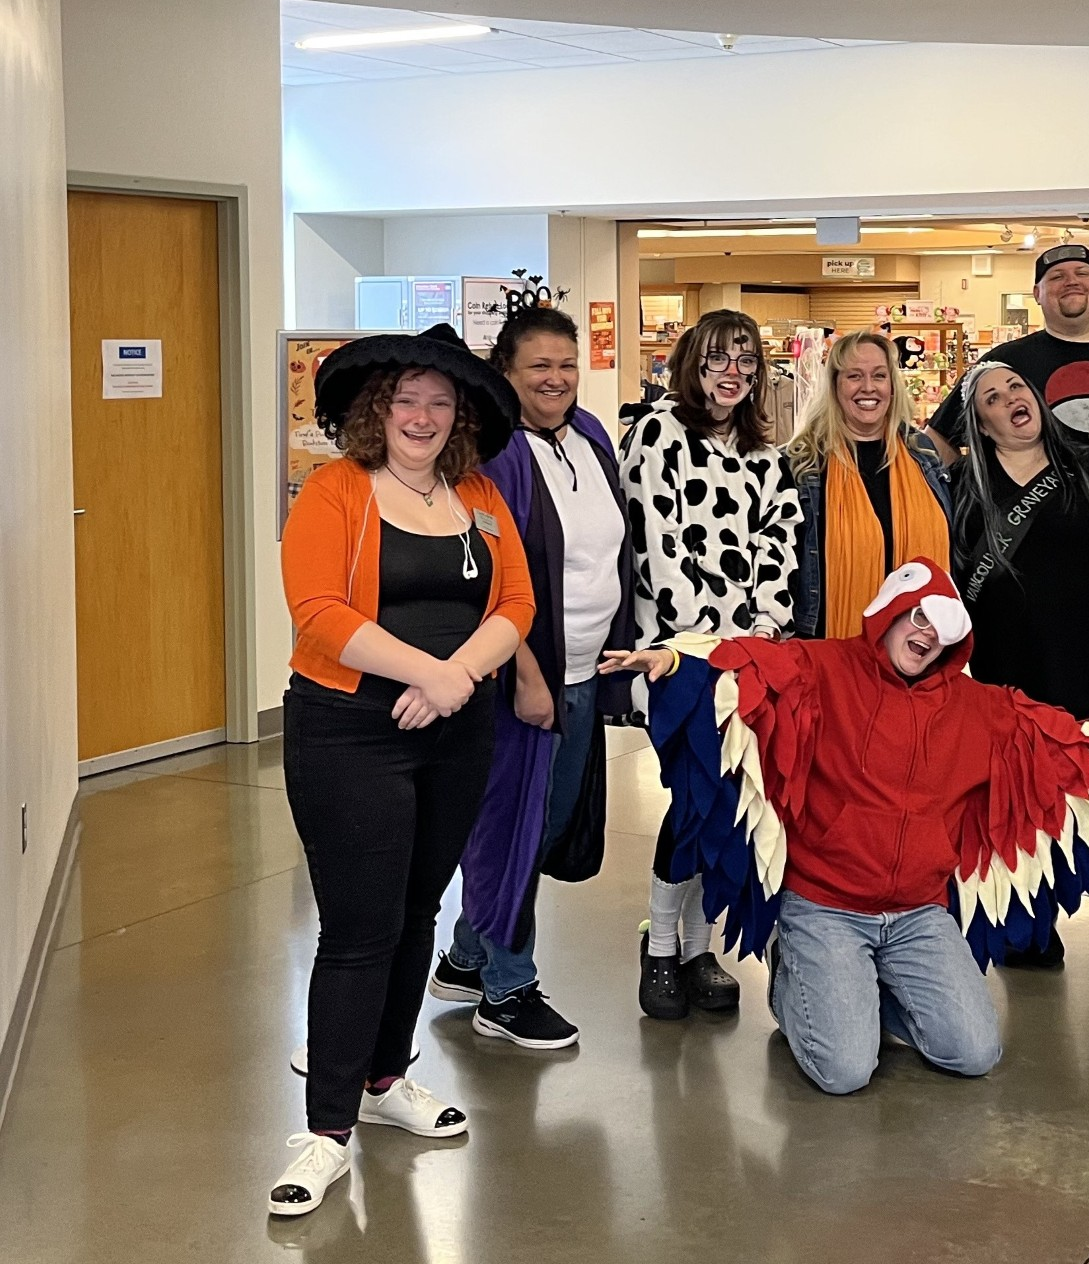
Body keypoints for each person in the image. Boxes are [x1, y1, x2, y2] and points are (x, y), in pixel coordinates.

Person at [617, 560, 1089, 1096]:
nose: (927, 635)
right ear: (891, 611)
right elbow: (747, 663)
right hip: (825, 904)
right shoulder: (823, 666)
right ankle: (794, 978)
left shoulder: (976, 706)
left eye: (943, 628)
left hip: (918, 913)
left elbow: (1047, 735)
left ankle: (855, 988)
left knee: (973, 1054)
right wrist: (675, 658)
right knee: (845, 1072)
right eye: (919, 617)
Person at [270, 325, 532, 1218]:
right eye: (406, 398)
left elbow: (516, 602)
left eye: (440, 401)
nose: (421, 415)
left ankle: (386, 1079)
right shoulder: (335, 491)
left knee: (420, 911)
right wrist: (432, 672)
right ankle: (325, 1130)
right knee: (357, 929)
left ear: (459, 416)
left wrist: (457, 681)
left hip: (454, 734)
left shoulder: (479, 495)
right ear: (377, 410)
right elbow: (316, 610)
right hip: (349, 731)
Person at [431, 303, 636, 1050]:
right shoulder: (495, 455)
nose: (555, 379)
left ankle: (466, 956)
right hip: (526, 677)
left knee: (541, 829)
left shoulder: (590, 436)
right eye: (538, 367)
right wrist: (525, 672)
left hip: (582, 669)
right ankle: (506, 990)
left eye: (566, 364)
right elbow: (492, 579)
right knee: (509, 829)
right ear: (507, 374)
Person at [620, 308, 801, 1020]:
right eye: (720, 359)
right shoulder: (658, 435)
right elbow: (658, 547)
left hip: (748, 658)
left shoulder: (767, 454)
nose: (734, 374)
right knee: (696, 798)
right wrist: (703, 643)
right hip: (679, 658)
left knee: (727, 802)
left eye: (747, 361)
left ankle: (698, 949)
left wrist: (761, 630)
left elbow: (777, 543)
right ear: (691, 364)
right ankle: (661, 944)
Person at [948, 360, 1089, 934]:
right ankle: (1026, 919)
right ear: (982, 424)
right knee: (1016, 789)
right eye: (992, 397)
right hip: (1002, 662)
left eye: (1017, 386)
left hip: (1083, 651)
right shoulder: (965, 484)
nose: (1012, 398)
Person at [927, 242, 1089, 483]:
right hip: (1043, 531)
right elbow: (938, 439)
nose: (1071, 282)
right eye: (1056, 277)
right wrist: (967, 495)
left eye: (1082, 273)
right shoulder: (1003, 365)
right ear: (1037, 293)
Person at [790, 329, 952, 639]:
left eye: (879, 376)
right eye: (854, 376)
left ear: (892, 385)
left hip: (922, 649)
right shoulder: (803, 465)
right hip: (833, 655)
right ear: (835, 385)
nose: (868, 388)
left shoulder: (923, 456)